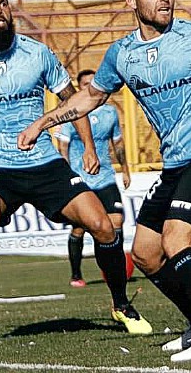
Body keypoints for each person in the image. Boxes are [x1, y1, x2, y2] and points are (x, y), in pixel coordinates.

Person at [18, 0, 191, 363]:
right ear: (131, 1)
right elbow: (89, 98)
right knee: (145, 253)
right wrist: (42, 121)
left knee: (175, 241)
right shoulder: (121, 53)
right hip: (174, 167)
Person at [0, 0, 151, 348]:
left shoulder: (38, 54)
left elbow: (72, 101)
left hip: (44, 162)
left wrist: (90, 147)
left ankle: (121, 305)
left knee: (103, 225)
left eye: (2, 4)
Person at [55, 69, 130, 288]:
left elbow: (117, 142)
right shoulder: (72, 113)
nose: (89, 86)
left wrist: (124, 169)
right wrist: (65, 175)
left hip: (105, 177)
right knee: (80, 228)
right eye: (84, 83)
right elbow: (63, 146)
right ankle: (76, 274)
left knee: (116, 221)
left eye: (92, 83)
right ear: (79, 88)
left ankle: (113, 269)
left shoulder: (110, 112)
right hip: (81, 179)